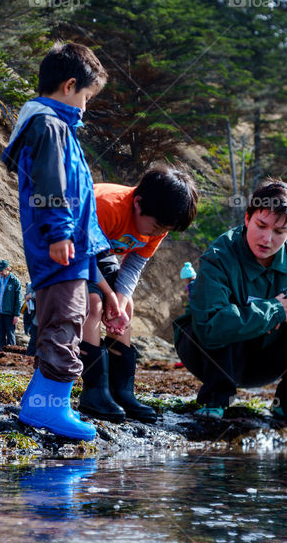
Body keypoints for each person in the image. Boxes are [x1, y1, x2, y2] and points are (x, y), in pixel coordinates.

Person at [174, 179, 287, 428]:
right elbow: (210, 326)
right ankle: (215, 400)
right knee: (219, 316)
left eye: (279, 231)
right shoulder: (220, 255)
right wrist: (273, 310)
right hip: (207, 353)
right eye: (261, 225)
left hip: (266, 358)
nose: (267, 239)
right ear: (247, 218)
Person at [1, 42, 109, 441]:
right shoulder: (50, 125)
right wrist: (60, 233)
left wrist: (90, 250)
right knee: (65, 321)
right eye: (86, 96)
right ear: (69, 86)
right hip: (60, 248)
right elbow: (51, 185)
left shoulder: (57, 126)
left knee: (68, 319)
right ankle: (49, 409)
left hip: (75, 251)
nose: (85, 106)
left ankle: (42, 402)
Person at [78, 166, 198, 424]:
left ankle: (120, 392)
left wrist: (119, 300)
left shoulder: (159, 220)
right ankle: (94, 391)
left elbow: (133, 265)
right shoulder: (107, 205)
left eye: (163, 230)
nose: (156, 234)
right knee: (95, 303)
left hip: (101, 251)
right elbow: (82, 255)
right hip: (70, 248)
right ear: (138, 203)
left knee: (126, 306)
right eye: (155, 227)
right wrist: (109, 294)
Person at [0, 260, 22, 351]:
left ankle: (12, 356)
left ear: (7, 269)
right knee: (0, 336)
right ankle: (1, 356)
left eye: (1, 270)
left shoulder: (15, 282)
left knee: (10, 336)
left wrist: (16, 315)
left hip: (9, 313)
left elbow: (18, 300)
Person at [22, 282, 38, 356]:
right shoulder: (31, 284)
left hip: (45, 319)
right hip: (35, 317)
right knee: (33, 341)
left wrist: (32, 295)